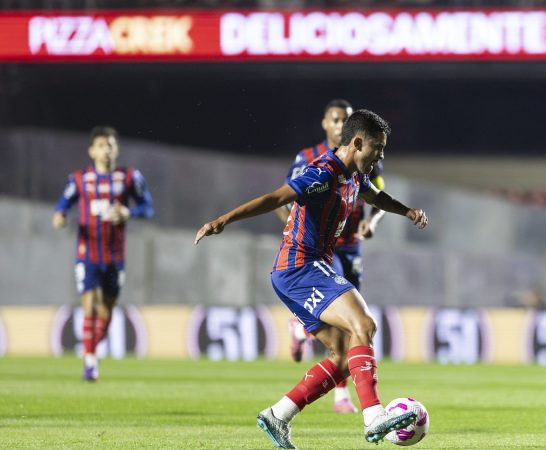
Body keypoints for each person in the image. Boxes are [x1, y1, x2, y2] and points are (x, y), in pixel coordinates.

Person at [195, 109, 427, 448]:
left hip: (300, 271)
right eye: (377, 147)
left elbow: (375, 197)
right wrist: (223, 220)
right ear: (357, 142)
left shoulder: (355, 175)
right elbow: (276, 198)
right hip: (300, 268)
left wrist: (406, 211)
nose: (380, 155)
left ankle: (279, 414)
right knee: (364, 324)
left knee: (345, 356)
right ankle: (374, 415)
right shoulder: (323, 174)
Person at [277, 99, 386, 415]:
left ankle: (282, 411)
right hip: (322, 251)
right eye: (336, 120)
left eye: (346, 120)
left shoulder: (369, 156)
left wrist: (372, 221)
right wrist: (292, 224)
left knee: (352, 327)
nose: (341, 125)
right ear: (325, 124)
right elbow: (286, 196)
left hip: (350, 244)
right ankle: (351, 402)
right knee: (356, 322)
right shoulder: (309, 159)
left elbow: (377, 196)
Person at [53, 126, 154, 382]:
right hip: (87, 254)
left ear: (117, 149)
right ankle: (90, 363)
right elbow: (62, 206)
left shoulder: (129, 177)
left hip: (115, 255)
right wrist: (61, 218)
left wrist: (128, 213)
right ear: (91, 151)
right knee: (90, 305)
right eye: (101, 145)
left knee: (106, 312)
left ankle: (91, 350)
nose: (106, 149)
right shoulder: (79, 179)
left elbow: (148, 207)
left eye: (110, 144)